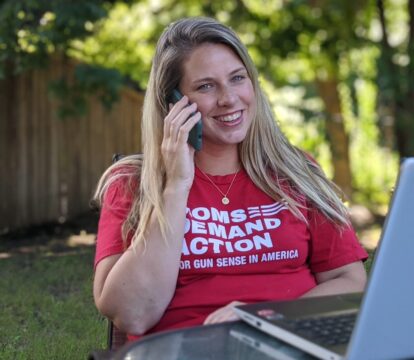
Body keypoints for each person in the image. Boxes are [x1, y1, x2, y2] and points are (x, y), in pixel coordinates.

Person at [92, 17, 368, 340]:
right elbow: (131, 315)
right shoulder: (132, 182)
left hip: (287, 345)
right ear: (173, 103)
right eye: (206, 86)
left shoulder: (297, 172)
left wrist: (267, 319)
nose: (229, 98)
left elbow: (349, 281)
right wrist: (176, 186)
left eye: (237, 78)